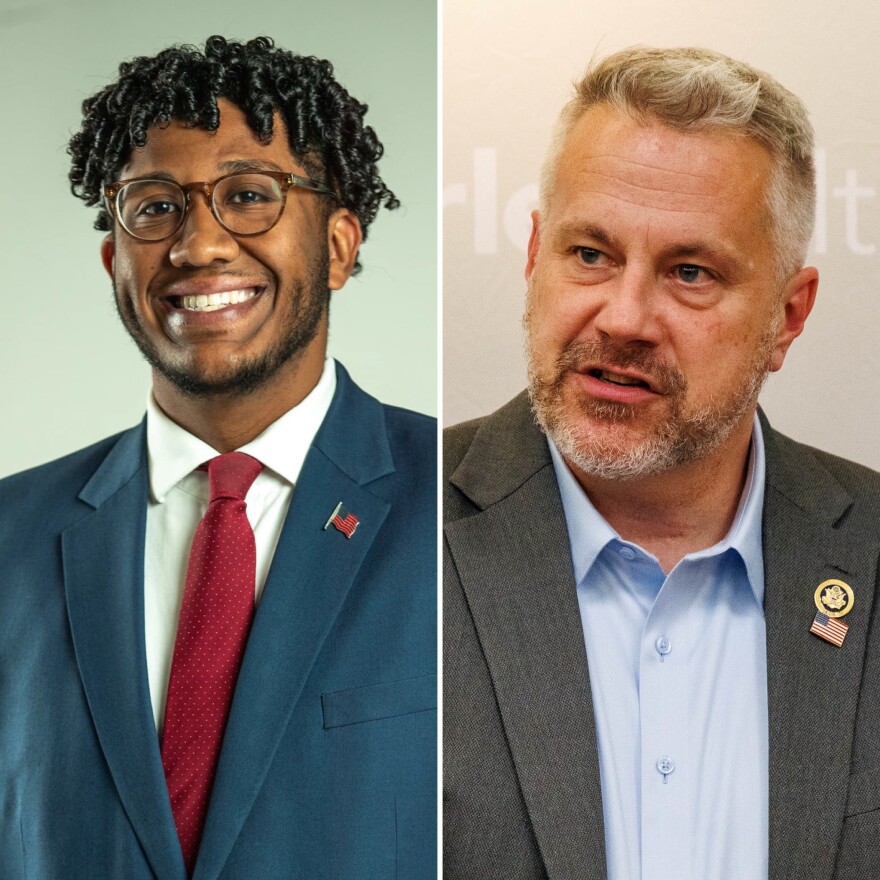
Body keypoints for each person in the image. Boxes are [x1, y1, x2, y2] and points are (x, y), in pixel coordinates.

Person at [0, 36, 435, 879]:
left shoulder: (452, 512)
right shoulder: (10, 535)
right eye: (155, 206)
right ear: (114, 261)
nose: (199, 246)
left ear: (339, 247)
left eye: (248, 196)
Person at [444, 46, 880, 880]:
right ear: (534, 258)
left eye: (689, 272)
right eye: (590, 254)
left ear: (788, 317)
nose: (624, 318)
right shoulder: (400, 528)